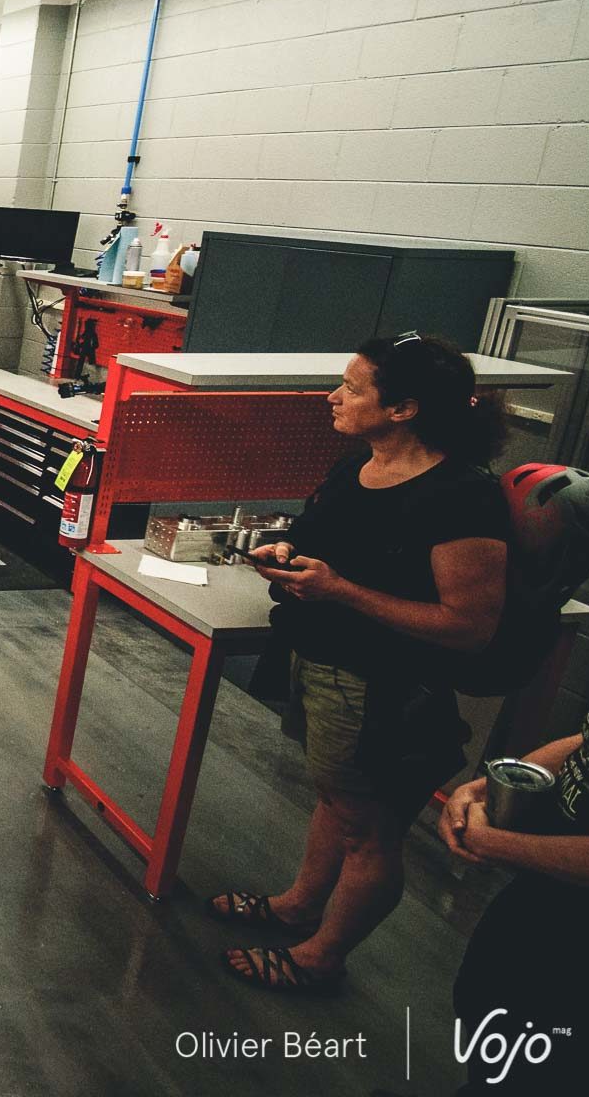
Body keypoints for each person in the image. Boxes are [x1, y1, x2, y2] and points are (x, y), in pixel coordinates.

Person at [215, 332, 509, 993]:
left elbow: (469, 626)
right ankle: (299, 907)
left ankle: (321, 959)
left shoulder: (461, 496)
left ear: (402, 408)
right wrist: (285, 554)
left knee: (368, 833)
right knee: (339, 803)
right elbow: (325, 545)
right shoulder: (359, 466)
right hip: (323, 664)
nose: (333, 396)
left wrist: (341, 590)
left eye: (351, 387)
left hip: (378, 688)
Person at [440, 713, 589, 1094]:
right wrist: (488, 788)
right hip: (547, 893)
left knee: (544, 1064)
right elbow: (588, 740)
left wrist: (490, 842)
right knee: (482, 997)